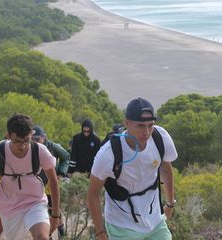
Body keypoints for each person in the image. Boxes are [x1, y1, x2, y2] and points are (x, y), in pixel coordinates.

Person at [87, 98, 178, 240]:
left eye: (150, 125)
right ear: (126, 123)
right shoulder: (109, 154)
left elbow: (166, 169)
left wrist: (170, 203)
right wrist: (100, 233)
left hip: (154, 221)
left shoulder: (160, 138)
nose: (146, 132)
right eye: (140, 126)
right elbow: (93, 193)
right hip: (122, 225)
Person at [0, 114, 61, 240]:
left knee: (42, 237)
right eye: (17, 141)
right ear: (8, 136)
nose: (22, 146)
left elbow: (53, 182)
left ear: (31, 134)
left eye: (26, 140)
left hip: (35, 202)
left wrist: (55, 215)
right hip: (9, 207)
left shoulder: (40, 151)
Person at [32, 125, 70, 238]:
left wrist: (61, 173)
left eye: (38, 139)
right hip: (36, 185)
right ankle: (47, 235)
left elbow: (66, 157)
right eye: (33, 139)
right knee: (42, 211)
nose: (35, 142)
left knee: (54, 208)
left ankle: (61, 229)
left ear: (44, 137)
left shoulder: (53, 147)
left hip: (51, 183)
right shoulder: (30, 148)